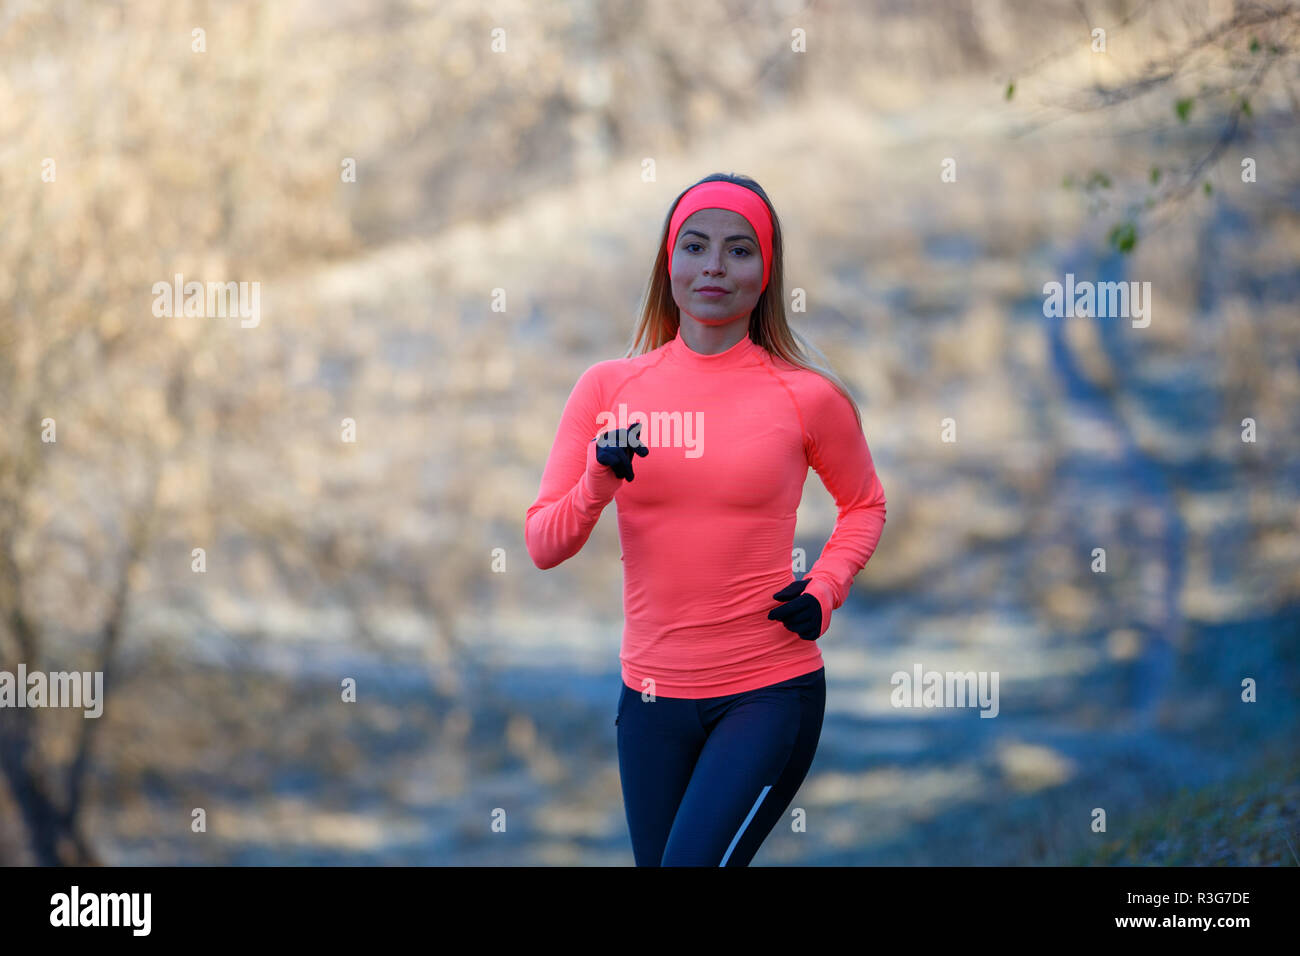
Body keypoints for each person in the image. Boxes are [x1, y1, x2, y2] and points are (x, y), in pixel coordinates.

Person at [525, 172, 887, 866]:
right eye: (695, 246)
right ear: (669, 262)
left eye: (739, 250)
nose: (714, 266)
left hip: (767, 691)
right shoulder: (607, 389)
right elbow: (543, 543)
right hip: (650, 699)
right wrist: (599, 477)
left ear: (767, 270)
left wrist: (826, 587)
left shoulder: (806, 397)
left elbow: (864, 503)